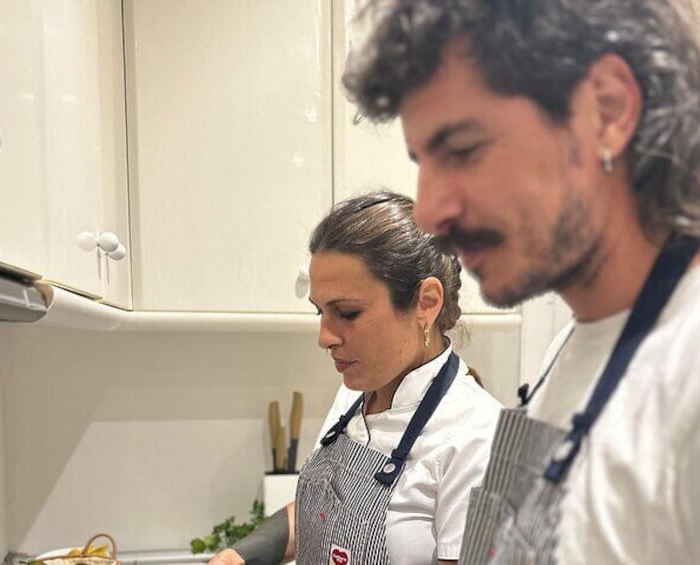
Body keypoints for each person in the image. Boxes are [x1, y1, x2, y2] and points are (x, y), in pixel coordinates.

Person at [341, 1, 700, 564]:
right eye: (423, 161)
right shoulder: (572, 345)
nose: (430, 211)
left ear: (608, 110)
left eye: (464, 150)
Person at [209, 191, 502, 565]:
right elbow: (323, 508)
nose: (325, 337)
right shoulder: (356, 394)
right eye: (320, 312)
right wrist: (239, 556)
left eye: (346, 312)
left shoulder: (481, 440)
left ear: (426, 302)